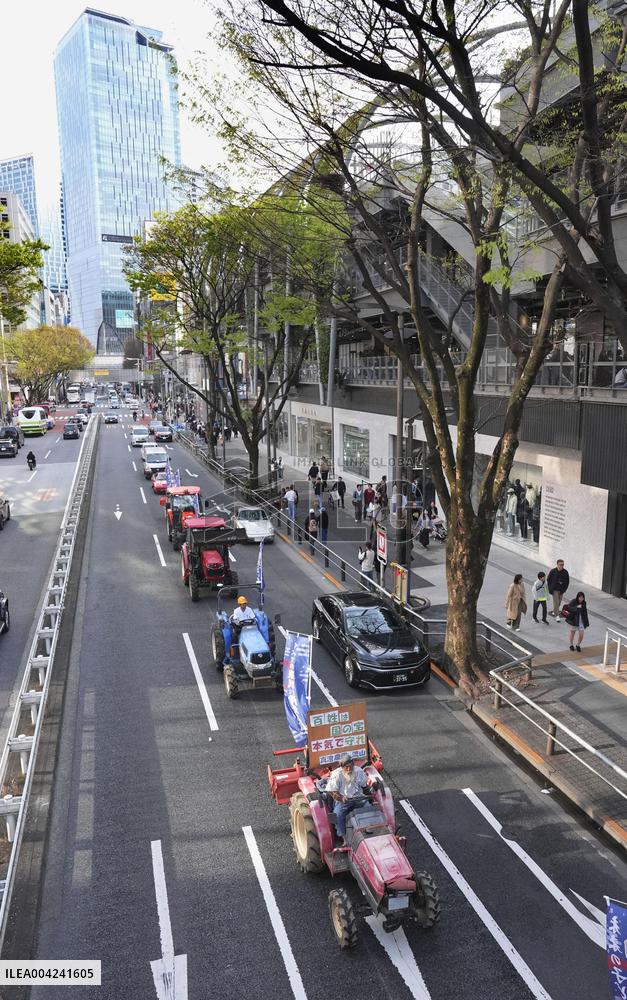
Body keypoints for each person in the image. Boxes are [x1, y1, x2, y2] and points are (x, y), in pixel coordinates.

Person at [325, 754, 370, 842]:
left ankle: (369, 829)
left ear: (353, 765)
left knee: (369, 808)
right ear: (342, 767)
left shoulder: (359, 771)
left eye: (351, 766)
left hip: (359, 798)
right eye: (346, 767)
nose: (349, 769)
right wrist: (341, 798)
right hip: (343, 801)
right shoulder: (337, 775)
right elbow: (331, 791)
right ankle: (343, 837)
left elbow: (364, 785)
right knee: (338, 814)